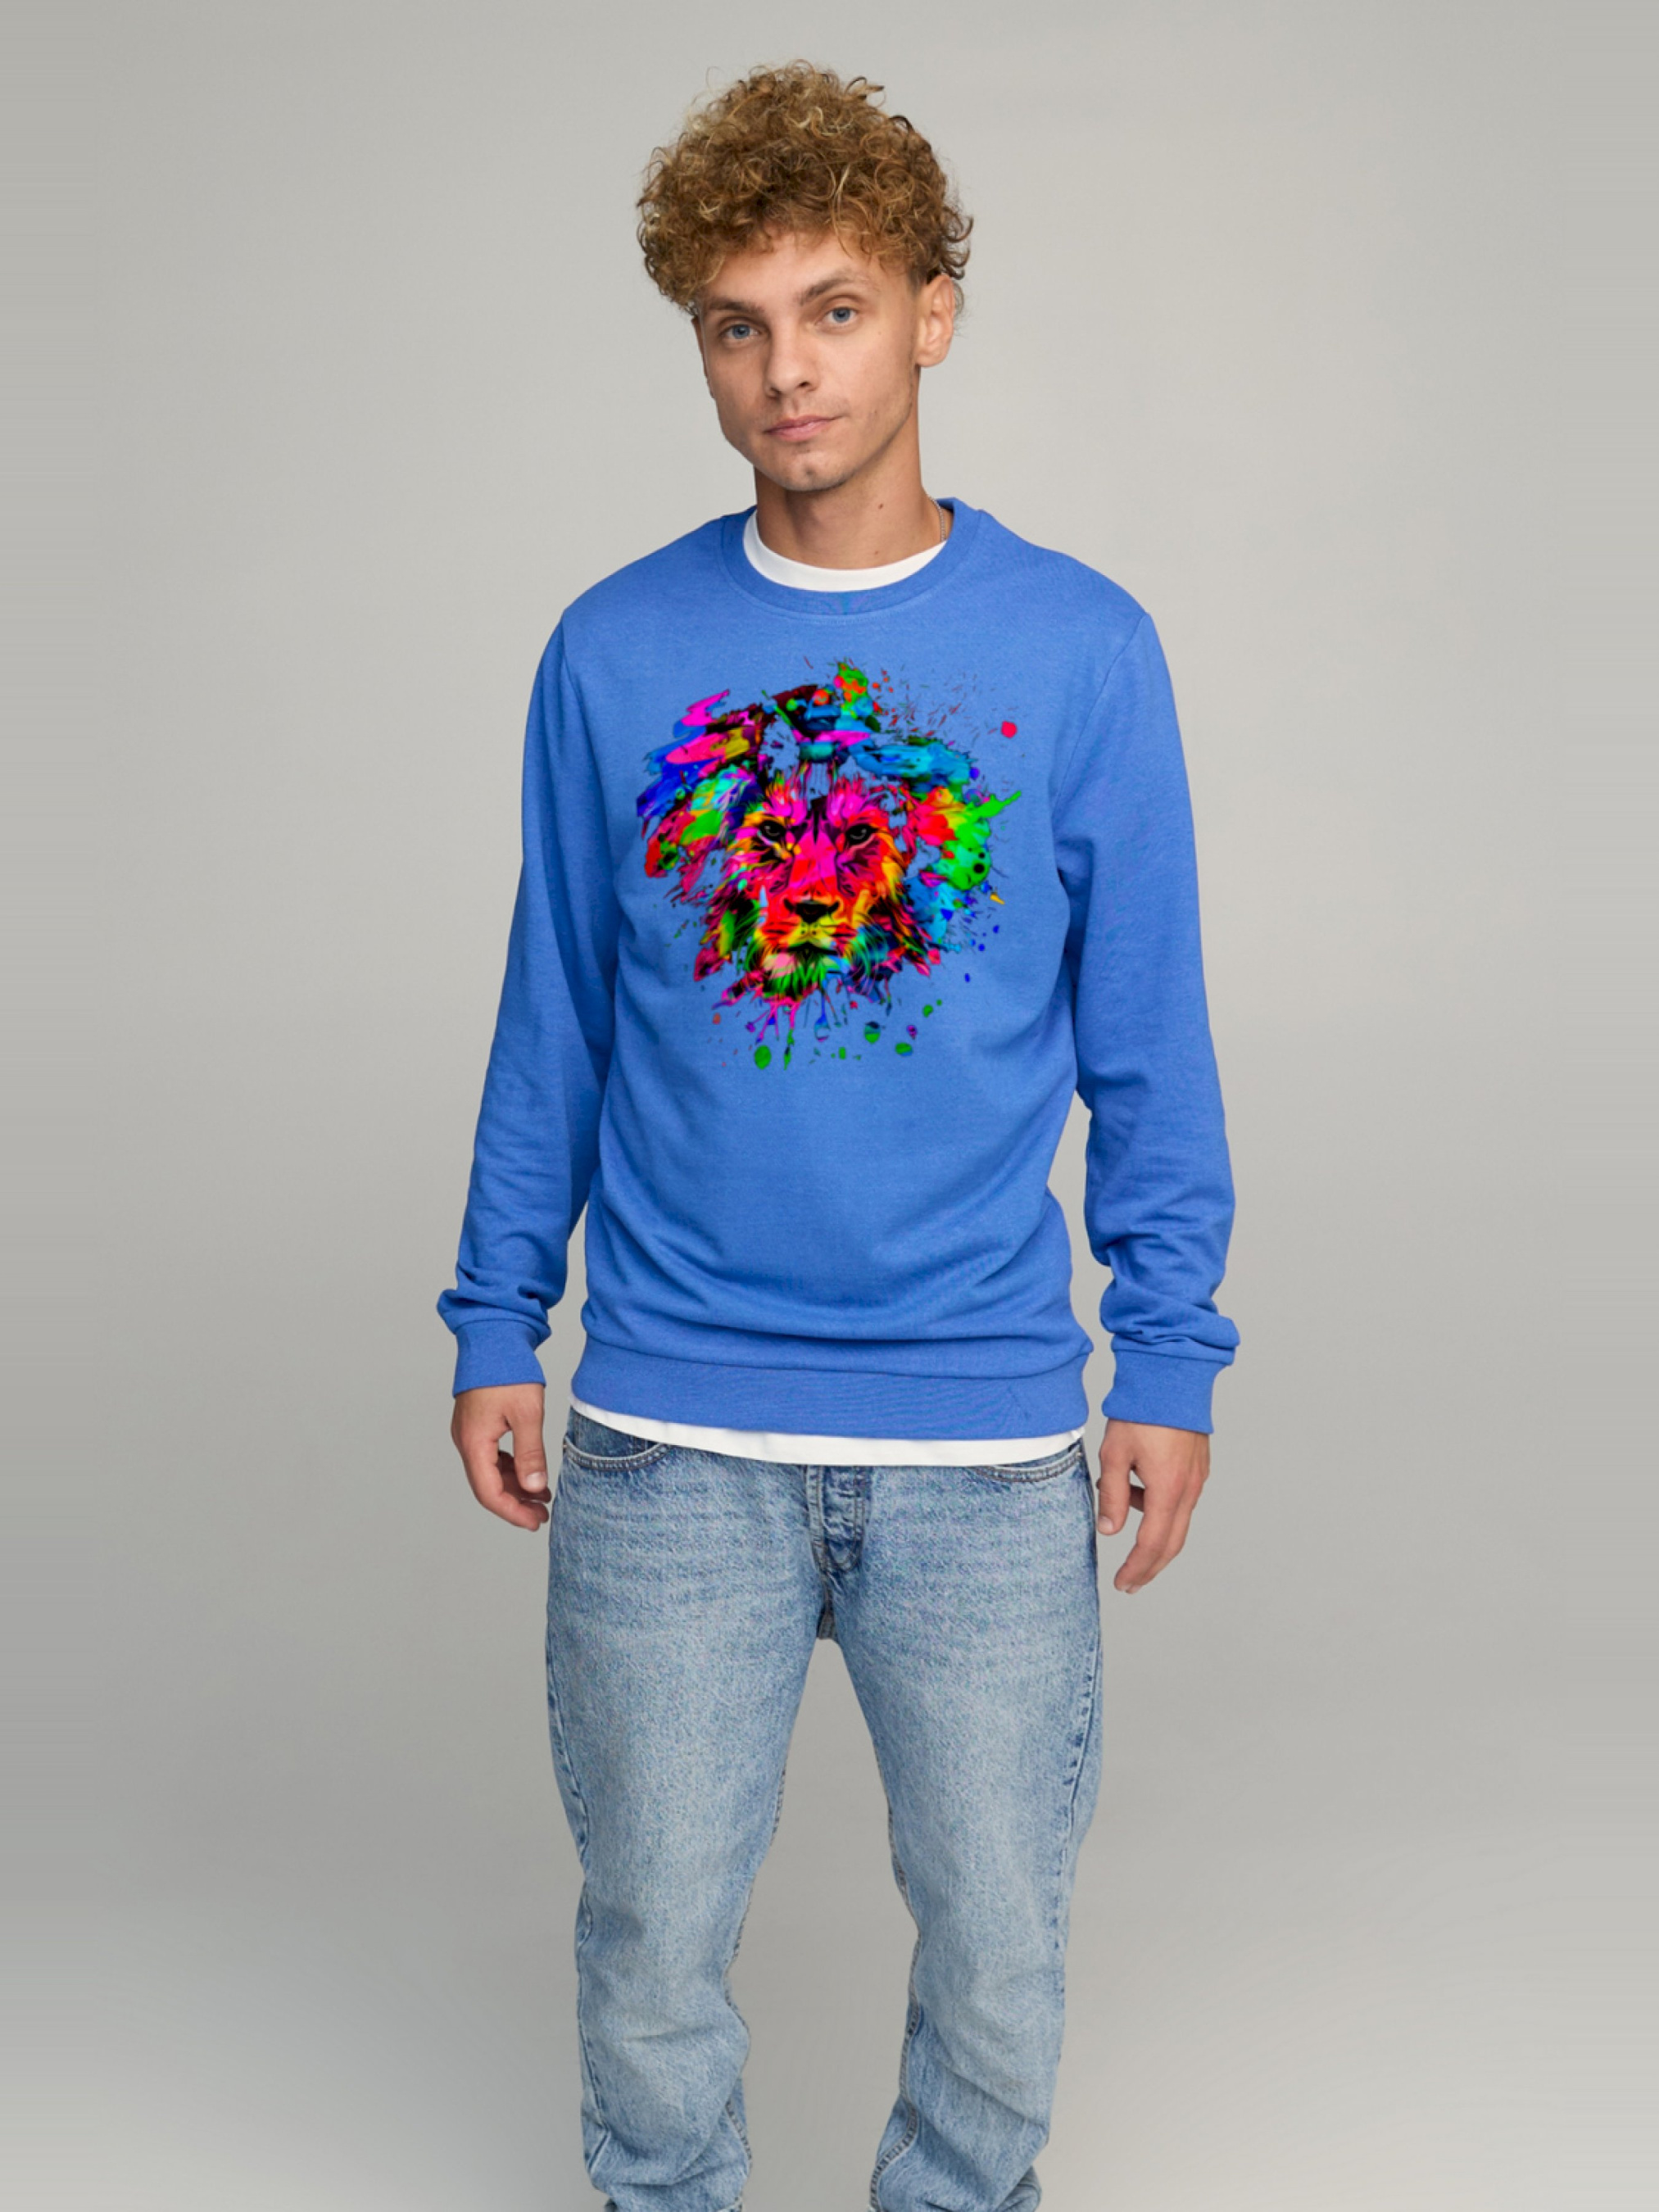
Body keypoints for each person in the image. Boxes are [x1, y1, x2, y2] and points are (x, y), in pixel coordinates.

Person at [437, 61, 1239, 2212]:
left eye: (834, 309)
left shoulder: (1079, 652)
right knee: (650, 1947)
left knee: (997, 1952)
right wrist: (496, 1315)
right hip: (668, 1432)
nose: (785, 370)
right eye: (736, 323)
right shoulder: (615, 651)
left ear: (932, 316)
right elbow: (556, 1016)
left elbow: (1147, 1043)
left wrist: (1167, 1354)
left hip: (984, 1435)